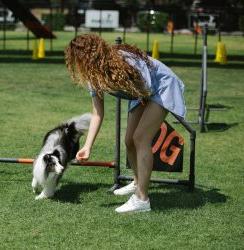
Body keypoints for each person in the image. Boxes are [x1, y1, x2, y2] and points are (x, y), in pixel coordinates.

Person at [65, 33, 186, 213]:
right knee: (129, 140)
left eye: (79, 59)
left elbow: (147, 87)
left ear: (89, 55)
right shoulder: (93, 76)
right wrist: (88, 147)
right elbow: (98, 114)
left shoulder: (125, 61)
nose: (78, 65)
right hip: (142, 94)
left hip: (161, 87)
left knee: (140, 139)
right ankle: (137, 183)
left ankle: (142, 199)